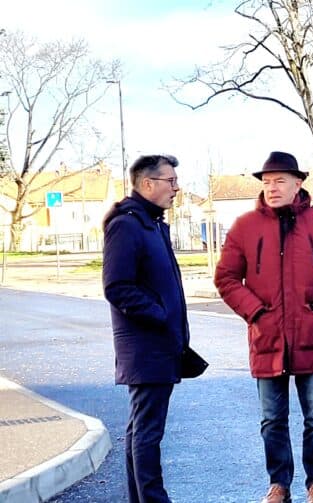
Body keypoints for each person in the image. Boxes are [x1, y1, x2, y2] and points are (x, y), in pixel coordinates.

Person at [214, 151, 313, 503]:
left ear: (298, 184)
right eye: (266, 182)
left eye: (280, 181)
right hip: (267, 338)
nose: (272, 188)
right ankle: (278, 483)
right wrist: (256, 312)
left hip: (312, 336)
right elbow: (227, 277)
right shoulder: (245, 226)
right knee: (271, 420)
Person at [102, 154, 188, 503]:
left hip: (158, 345)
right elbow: (117, 286)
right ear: (148, 183)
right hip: (145, 346)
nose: (177, 188)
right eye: (171, 181)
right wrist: (159, 314)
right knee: (147, 432)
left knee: (141, 429)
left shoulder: (150, 223)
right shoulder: (127, 225)